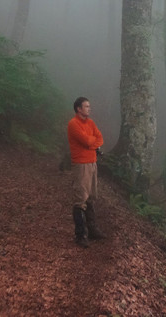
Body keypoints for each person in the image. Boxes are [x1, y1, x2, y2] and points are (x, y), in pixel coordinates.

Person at [67, 96, 106, 248]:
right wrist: (92, 142)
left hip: (92, 163)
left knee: (90, 196)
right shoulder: (73, 124)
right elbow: (87, 141)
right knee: (80, 198)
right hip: (81, 164)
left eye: (89, 106)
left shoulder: (90, 122)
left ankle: (92, 230)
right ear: (79, 109)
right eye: (87, 106)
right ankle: (80, 235)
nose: (89, 108)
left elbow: (100, 138)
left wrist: (92, 142)